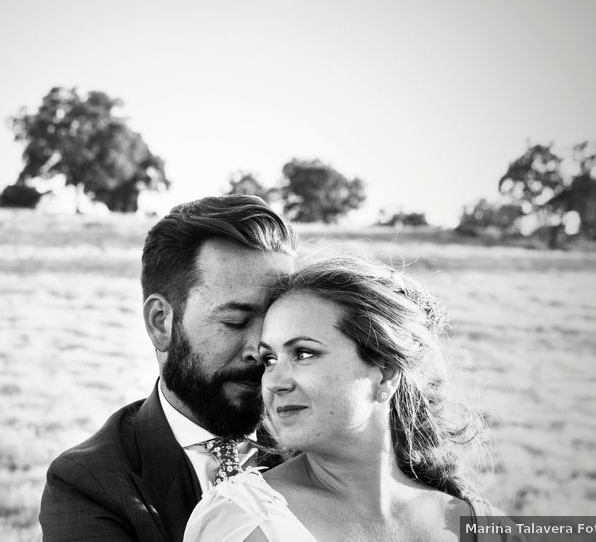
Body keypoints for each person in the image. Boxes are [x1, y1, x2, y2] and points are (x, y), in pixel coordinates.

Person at [185, 256, 514, 542]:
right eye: (269, 359)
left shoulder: (482, 525)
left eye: (303, 353)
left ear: (384, 372)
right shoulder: (241, 521)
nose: (274, 383)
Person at [39, 195, 297, 542]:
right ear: (161, 322)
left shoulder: (316, 444)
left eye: (276, 323)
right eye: (235, 321)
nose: (260, 349)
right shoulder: (88, 481)